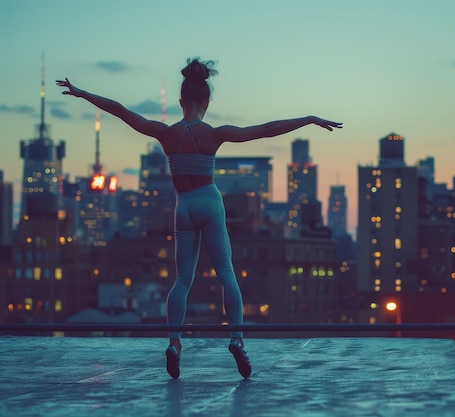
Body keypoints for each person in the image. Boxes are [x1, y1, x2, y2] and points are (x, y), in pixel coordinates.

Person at [56, 58, 342, 380]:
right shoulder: (214, 134)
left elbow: (121, 111)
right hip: (208, 200)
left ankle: (175, 343)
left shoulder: (165, 134)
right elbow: (266, 130)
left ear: (181, 102)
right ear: (206, 102)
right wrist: (309, 119)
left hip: (183, 208)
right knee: (226, 275)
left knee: (182, 280)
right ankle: (236, 339)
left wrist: (81, 93)